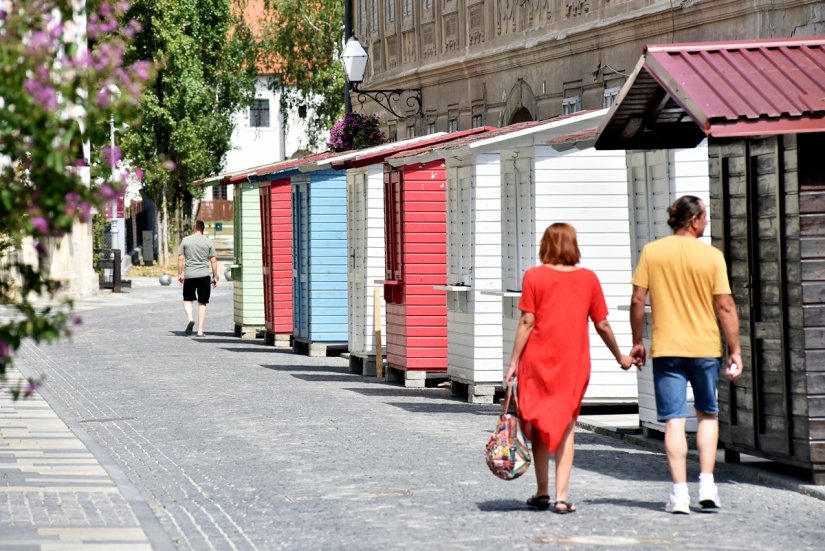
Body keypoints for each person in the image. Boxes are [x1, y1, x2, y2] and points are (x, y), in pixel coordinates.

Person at [505, 223, 635, 514]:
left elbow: (527, 322)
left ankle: (541, 491)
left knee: (538, 423)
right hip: (572, 364)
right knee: (565, 424)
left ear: (545, 245)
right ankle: (561, 497)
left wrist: (513, 362)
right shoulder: (588, 279)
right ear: (573, 245)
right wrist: (620, 356)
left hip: (536, 361)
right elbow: (601, 323)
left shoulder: (533, 277)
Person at [629, 195, 741, 515]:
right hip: (705, 347)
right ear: (694, 221)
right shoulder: (712, 257)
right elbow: (725, 306)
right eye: (704, 217)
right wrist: (735, 349)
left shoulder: (653, 252)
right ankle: (707, 485)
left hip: (667, 348)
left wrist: (638, 341)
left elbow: (638, 300)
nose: (706, 222)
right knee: (707, 414)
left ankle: (679, 495)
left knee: (674, 421)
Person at [177, 220, 218, 337]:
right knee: (202, 302)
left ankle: (190, 318)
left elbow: (180, 258)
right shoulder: (208, 241)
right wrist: (215, 276)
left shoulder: (186, 240)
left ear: (194, 228)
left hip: (190, 275)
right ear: (203, 229)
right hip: (204, 276)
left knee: (187, 299)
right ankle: (200, 331)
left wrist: (180, 274)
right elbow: (213, 260)